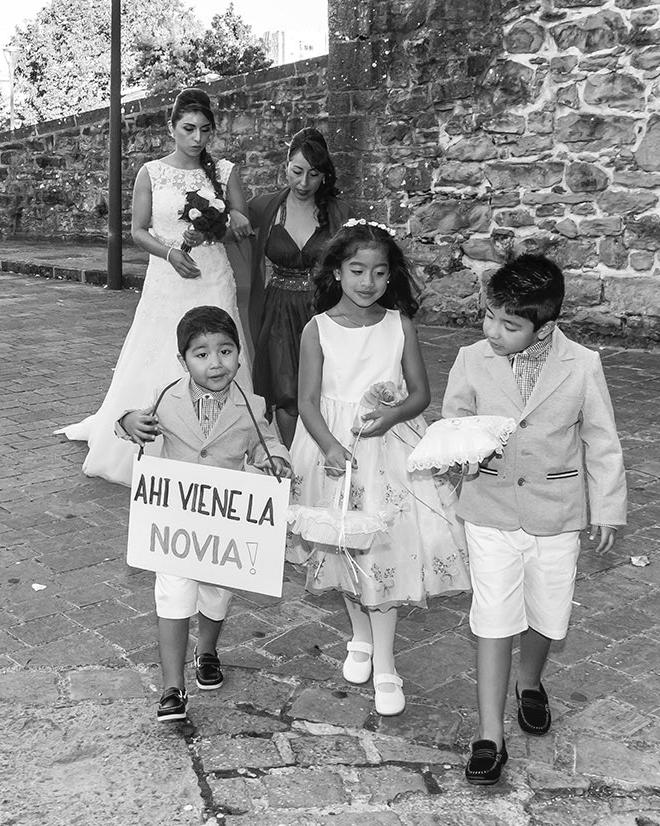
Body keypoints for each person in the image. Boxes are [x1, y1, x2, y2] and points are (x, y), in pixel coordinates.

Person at [441, 254, 626, 786]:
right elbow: (455, 422)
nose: (492, 331)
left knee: (547, 611)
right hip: (490, 508)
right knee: (493, 615)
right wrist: (462, 452)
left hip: (557, 512)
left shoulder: (583, 364)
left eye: (509, 324)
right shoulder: (472, 358)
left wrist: (608, 505)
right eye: (489, 316)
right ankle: (488, 735)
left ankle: (531, 681)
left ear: (544, 325)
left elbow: (600, 437)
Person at [289, 220, 471, 718]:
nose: (367, 282)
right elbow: (305, 401)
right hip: (335, 452)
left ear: (390, 276)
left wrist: (393, 414)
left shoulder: (399, 326)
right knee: (345, 544)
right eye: (356, 270)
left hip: (389, 450)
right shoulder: (317, 329)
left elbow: (420, 393)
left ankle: (387, 662)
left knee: (385, 550)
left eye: (379, 272)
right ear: (337, 272)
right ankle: (361, 635)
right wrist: (327, 445)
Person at [59, 88, 254, 486]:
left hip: (212, 275)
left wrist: (228, 219)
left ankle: (223, 443)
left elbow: (240, 221)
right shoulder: (151, 171)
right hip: (168, 277)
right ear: (172, 127)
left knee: (217, 347)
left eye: (204, 130)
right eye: (187, 129)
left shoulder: (226, 172)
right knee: (161, 349)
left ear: (212, 131)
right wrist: (169, 253)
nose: (196, 138)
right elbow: (137, 230)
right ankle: (153, 441)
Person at [116, 306, 291, 722]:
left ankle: (208, 650)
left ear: (239, 355)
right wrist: (128, 421)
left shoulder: (251, 405)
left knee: (216, 594)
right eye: (201, 354)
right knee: (173, 595)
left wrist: (278, 461)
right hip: (176, 519)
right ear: (183, 360)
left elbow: (269, 443)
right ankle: (171, 688)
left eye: (226, 351)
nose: (215, 363)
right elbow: (129, 424)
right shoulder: (166, 398)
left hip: (224, 521)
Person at [245, 127, 346, 447]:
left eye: (314, 174)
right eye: (297, 171)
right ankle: (290, 463)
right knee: (286, 394)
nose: (303, 183)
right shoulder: (263, 208)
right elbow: (231, 242)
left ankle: (321, 458)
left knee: (325, 389)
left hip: (322, 310)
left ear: (324, 176)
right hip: (277, 311)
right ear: (285, 166)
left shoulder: (339, 213)